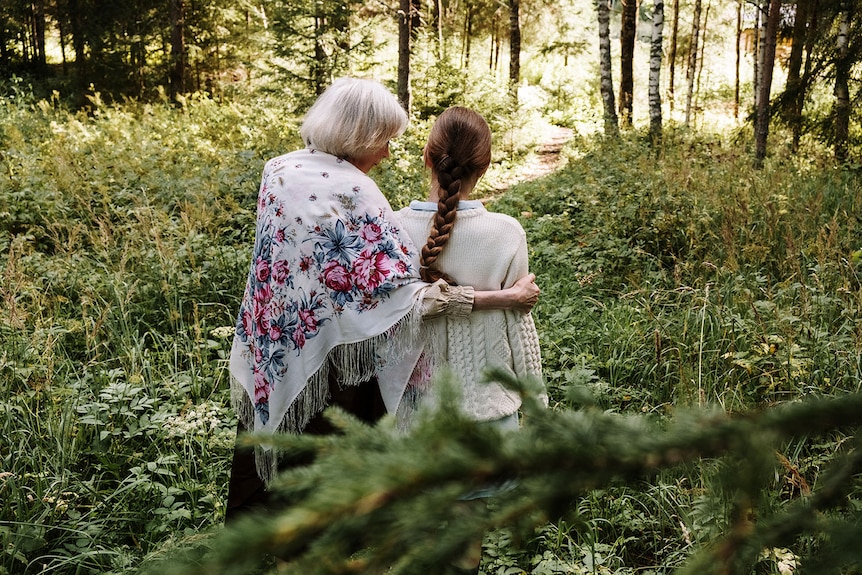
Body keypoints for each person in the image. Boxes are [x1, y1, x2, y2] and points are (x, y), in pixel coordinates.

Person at [225, 79, 540, 523]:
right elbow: (405, 299)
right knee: (328, 498)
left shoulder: (278, 171)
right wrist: (505, 297)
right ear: (359, 137)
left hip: (281, 348)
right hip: (340, 367)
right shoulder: (361, 194)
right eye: (385, 141)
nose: (388, 154)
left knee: (295, 499)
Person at [395, 106, 545, 574]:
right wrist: (537, 406)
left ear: (427, 156)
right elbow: (519, 323)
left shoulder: (392, 227)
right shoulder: (505, 233)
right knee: (466, 534)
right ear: (486, 165)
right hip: (483, 410)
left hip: (408, 411)